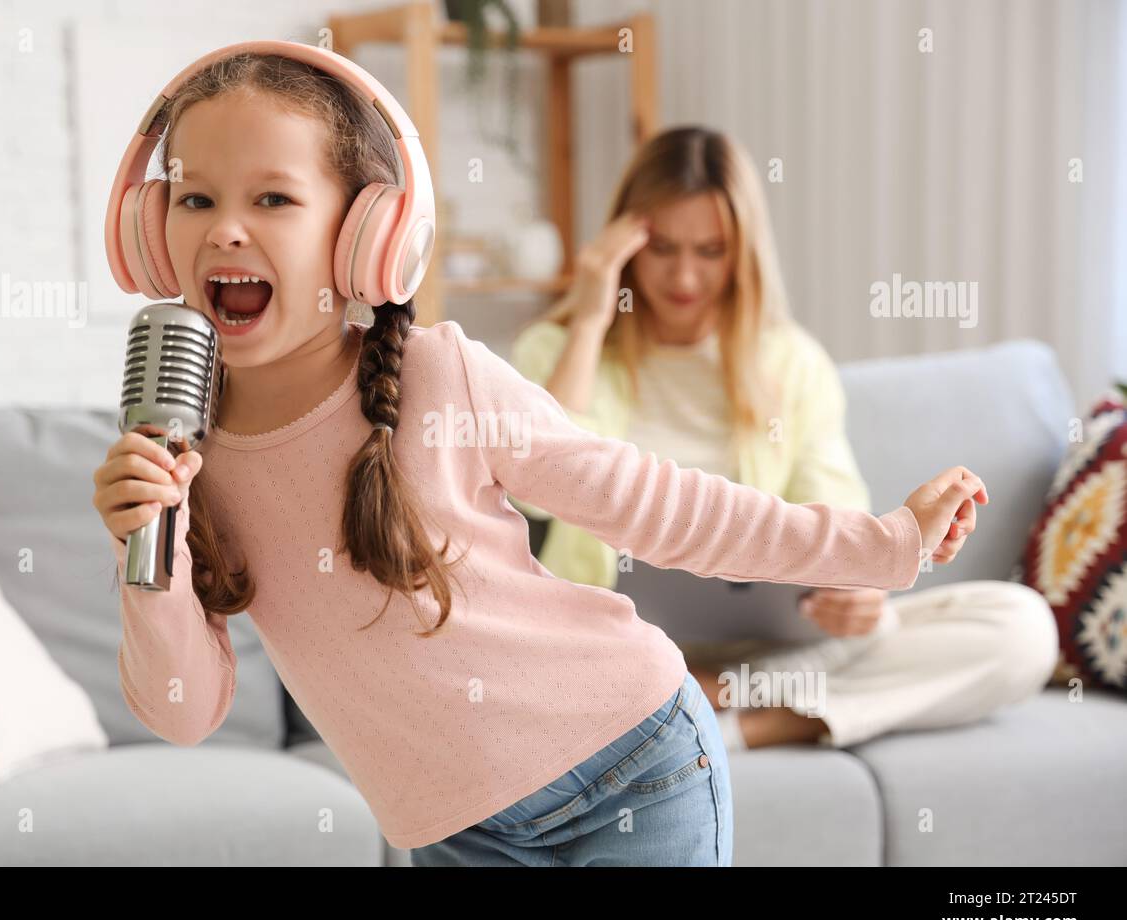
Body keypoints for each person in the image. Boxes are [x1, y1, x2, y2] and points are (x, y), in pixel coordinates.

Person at [91, 46, 984, 866]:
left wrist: (886, 543)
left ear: (366, 234)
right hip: (458, 837)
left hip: (636, 768)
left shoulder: (442, 378)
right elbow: (181, 711)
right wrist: (150, 562)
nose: (225, 231)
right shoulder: (178, 451)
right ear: (149, 227)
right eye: (195, 197)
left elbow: (658, 506)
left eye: (273, 199)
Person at [510, 125, 1057, 752]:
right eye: (662, 247)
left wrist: (863, 595)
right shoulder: (555, 350)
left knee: (1019, 627)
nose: (684, 276)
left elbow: (842, 522)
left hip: (769, 655)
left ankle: (738, 714)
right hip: (614, 645)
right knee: (519, 659)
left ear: (742, 253)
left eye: (711, 251)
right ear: (624, 243)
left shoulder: (793, 363)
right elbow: (538, 493)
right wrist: (588, 315)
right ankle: (695, 692)